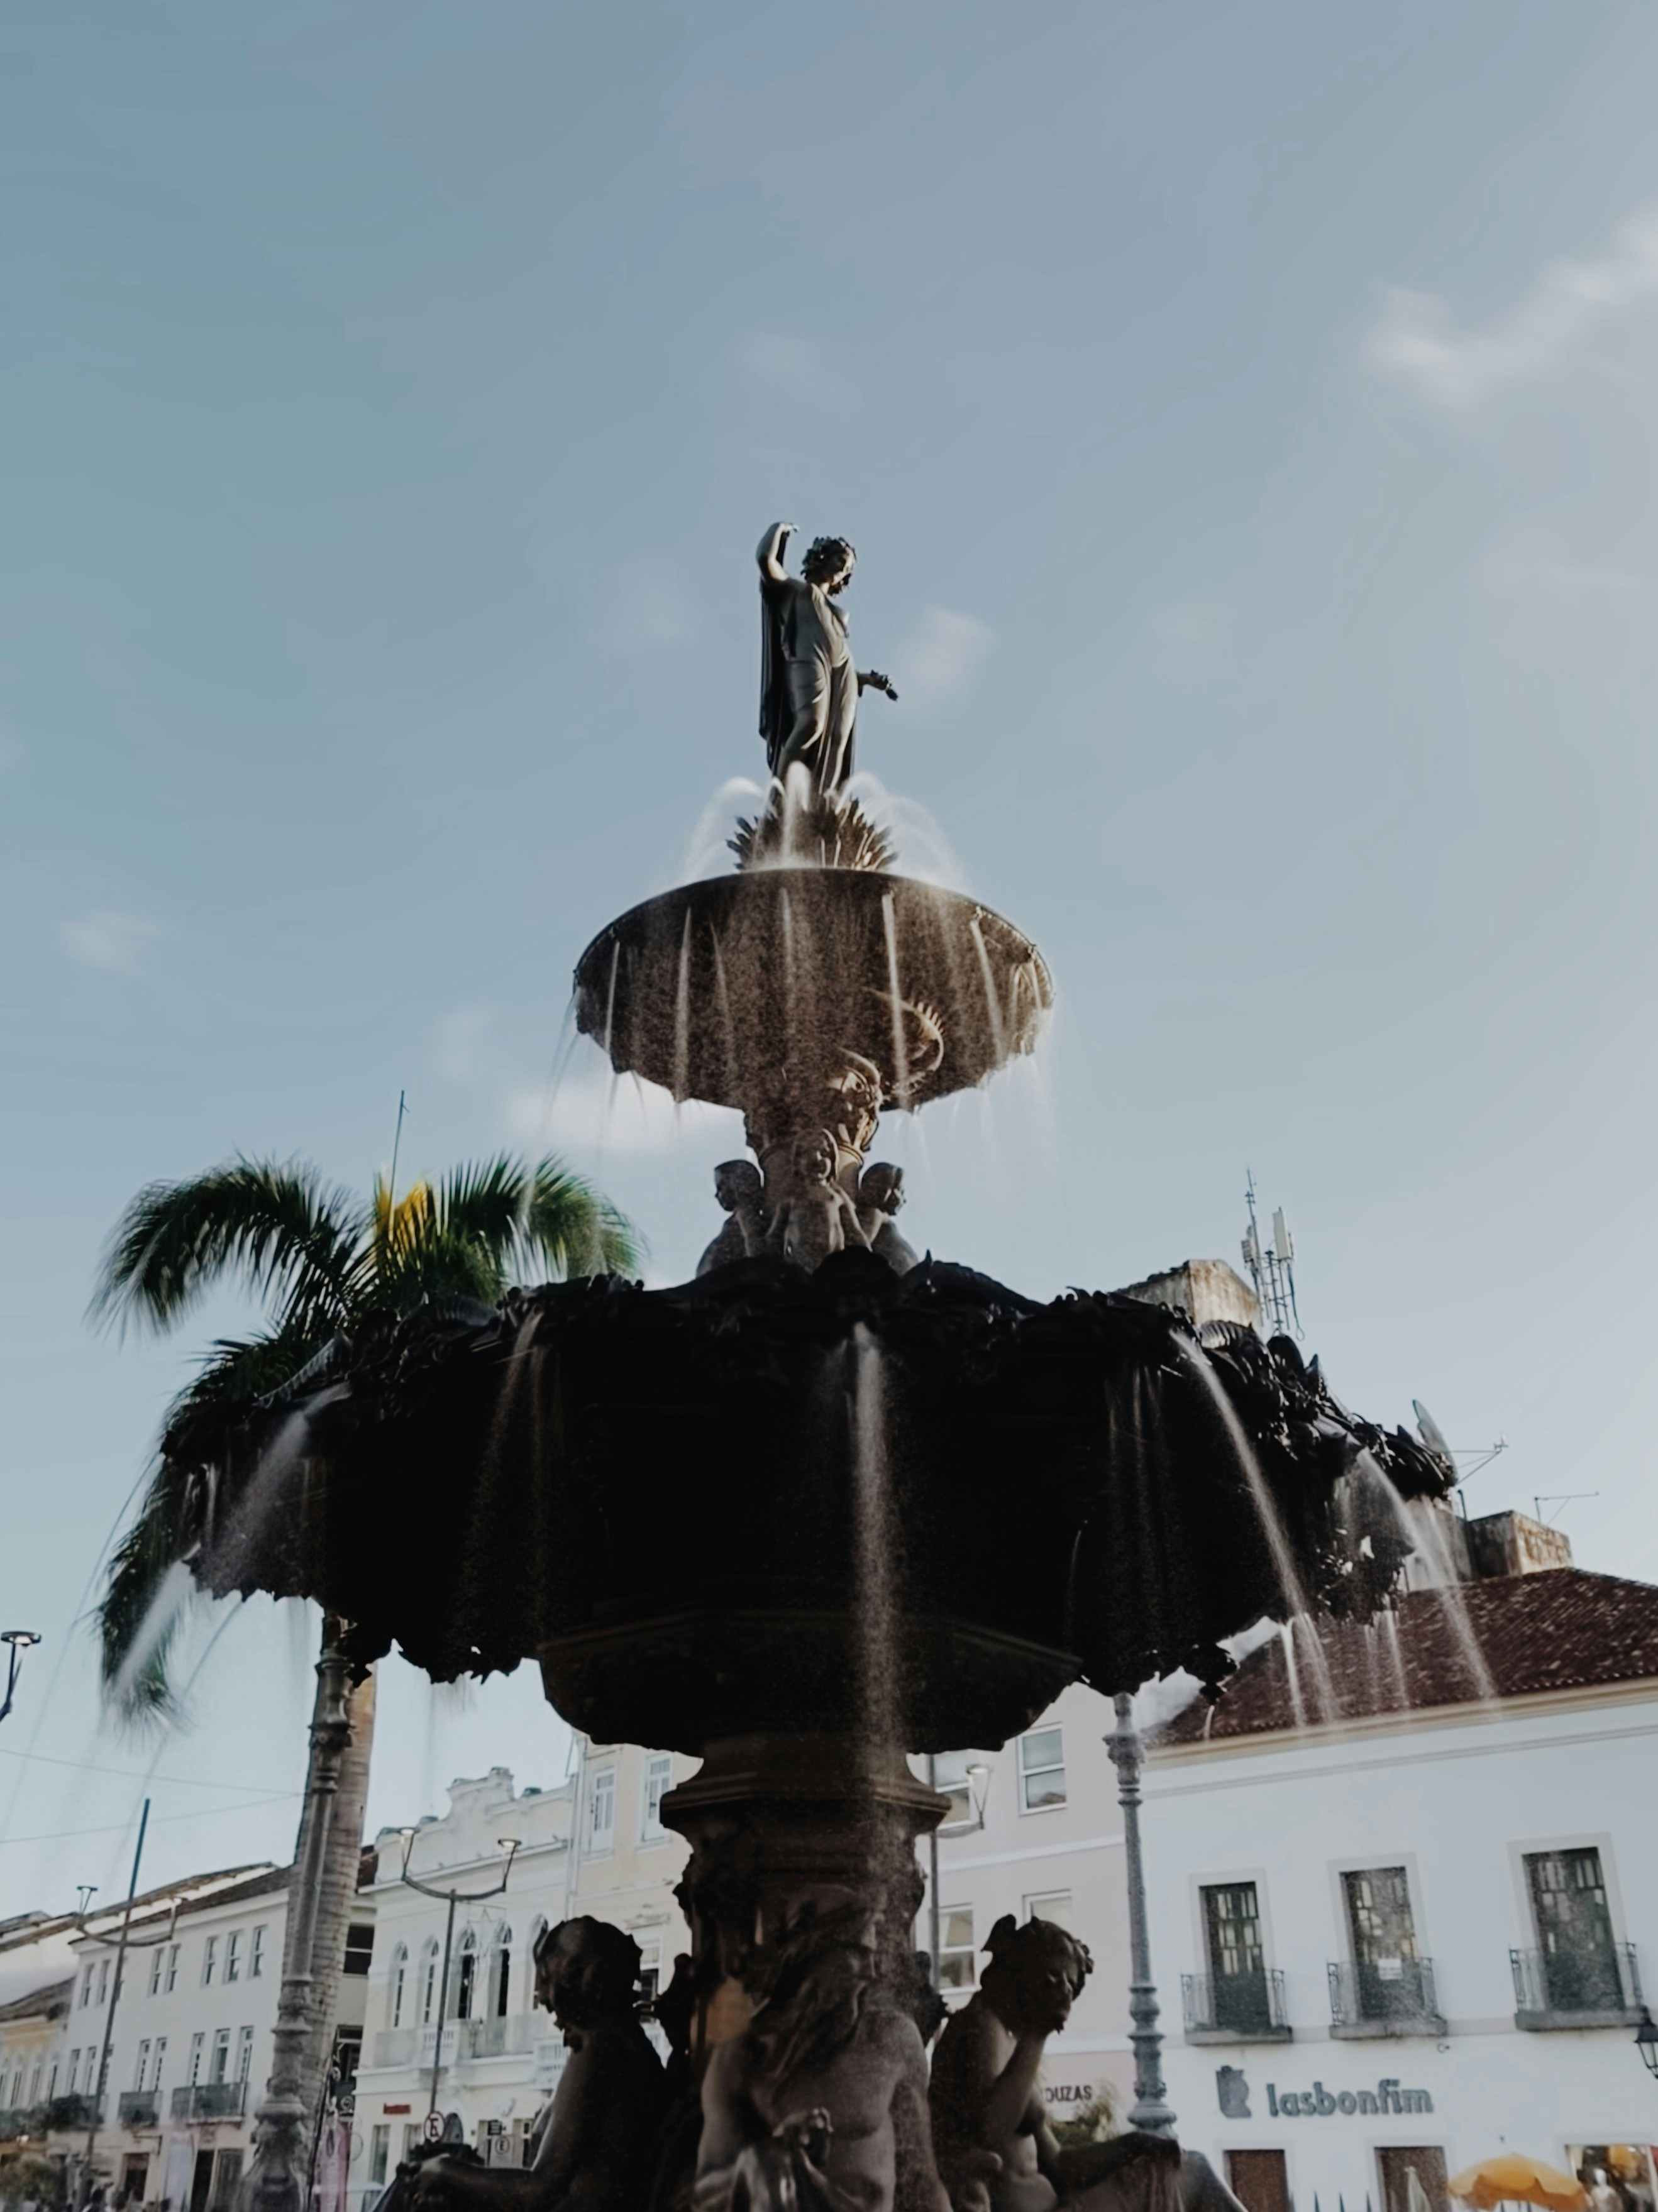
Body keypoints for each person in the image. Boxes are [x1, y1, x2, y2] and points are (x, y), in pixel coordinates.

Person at [695, 1898, 951, 2212]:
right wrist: (778, 2154)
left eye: (872, 1956)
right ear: (813, 1954)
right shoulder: (745, 2058)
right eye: (858, 1956)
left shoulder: (893, 2042)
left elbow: (923, 2179)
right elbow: (711, 2194)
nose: (871, 1972)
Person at [407, 1918, 666, 2212]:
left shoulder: (599, 2049)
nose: (542, 1997)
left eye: (545, 1978)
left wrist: (442, 2170)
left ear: (573, 1979)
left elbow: (539, 2190)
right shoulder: (632, 2047)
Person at [929, 1917, 1180, 2212]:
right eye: (1053, 1975)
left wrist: (1134, 2144)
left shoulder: (1010, 2039)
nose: (1064, 1991)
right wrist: (1038, 2031)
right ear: (1023, 1968)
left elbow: (1059, 2165)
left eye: (1071, 1985)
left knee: (1180, 2169)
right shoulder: (981, 2024)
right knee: (1188, 2177)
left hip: (1056, 2203)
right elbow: (989, 2133)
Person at [757, 523, 896, 793]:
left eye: (848, 568)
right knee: (811, 724)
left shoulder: (839, 612)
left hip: (843, 670)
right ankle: (778, 799)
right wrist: (778, 529)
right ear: (822, 557)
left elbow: (837, 646)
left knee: (837, 740)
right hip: (808, 659)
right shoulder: (794, 590)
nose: (843, 570)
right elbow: (765, 560)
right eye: (840, 561)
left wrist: (865, 679)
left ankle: (823, 807)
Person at [697, 1160, 768, 1275]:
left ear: (736, 1183)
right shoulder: (738, 1218)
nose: (716, 1195)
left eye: (720, 1187)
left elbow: (755, 1245)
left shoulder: (747, 1214)